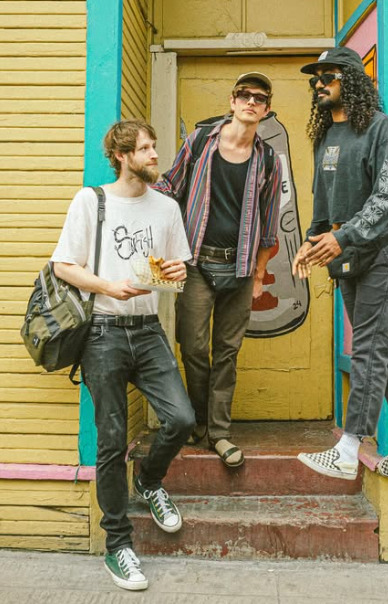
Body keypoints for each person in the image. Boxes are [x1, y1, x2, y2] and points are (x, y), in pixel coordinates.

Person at [51, 119, 195, 591]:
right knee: (111, 441)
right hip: (103, 332)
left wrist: (177, 272)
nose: (155, 154)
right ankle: (118, 544)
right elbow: (63, 265)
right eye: (145, 148)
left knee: (181, 419)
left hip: (148, 330)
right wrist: (108, 287)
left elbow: (176, 270)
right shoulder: (90, 201)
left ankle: (149, 480)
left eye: (154, 146)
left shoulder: (166, 207)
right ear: (122, 156)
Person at [292, 47, 388, 480]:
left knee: (368, 347)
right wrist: (311, 241)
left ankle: (349, 448)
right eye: (315, 79)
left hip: (382, 254)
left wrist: (341, 237)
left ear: (352, 79)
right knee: (379, 345)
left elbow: (386, 199)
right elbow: (323, 199)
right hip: (347, 256)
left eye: (328, 76)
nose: (319, 84)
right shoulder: (325, 136)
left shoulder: (381, 128)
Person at [153, 72, 282, 468]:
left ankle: (219, 432)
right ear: (232, 101)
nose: (251, 102)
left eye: (259, 98)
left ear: (266, 110)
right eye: (244, 95)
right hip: (196, 262)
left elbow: (269, 224)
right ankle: (199, 423)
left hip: (240, 267)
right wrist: (131, 195)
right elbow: (169, 187)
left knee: (227, 351)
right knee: (193, 346)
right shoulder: (199, 142)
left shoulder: (268, 159)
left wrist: (259, 274)